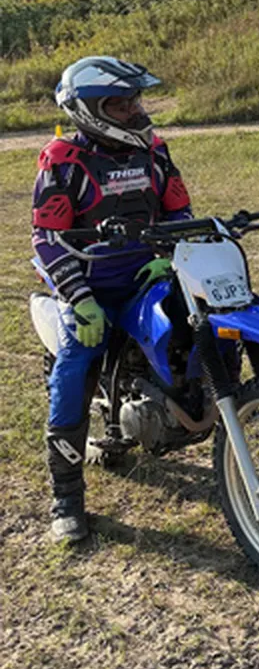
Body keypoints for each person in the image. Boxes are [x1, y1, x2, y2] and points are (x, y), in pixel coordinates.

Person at [32, 56, 192, 544]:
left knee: (199, 328)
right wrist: (78, 296)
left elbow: (180, 209)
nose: (134, 110)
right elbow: (46, 238)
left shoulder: (154, 152)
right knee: (76, 365)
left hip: (145, 276)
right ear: (88, 109)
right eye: (119, 104)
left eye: (134, 100)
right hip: (88, 287)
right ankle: (67, 497)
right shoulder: (63, 160)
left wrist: (170, 255)